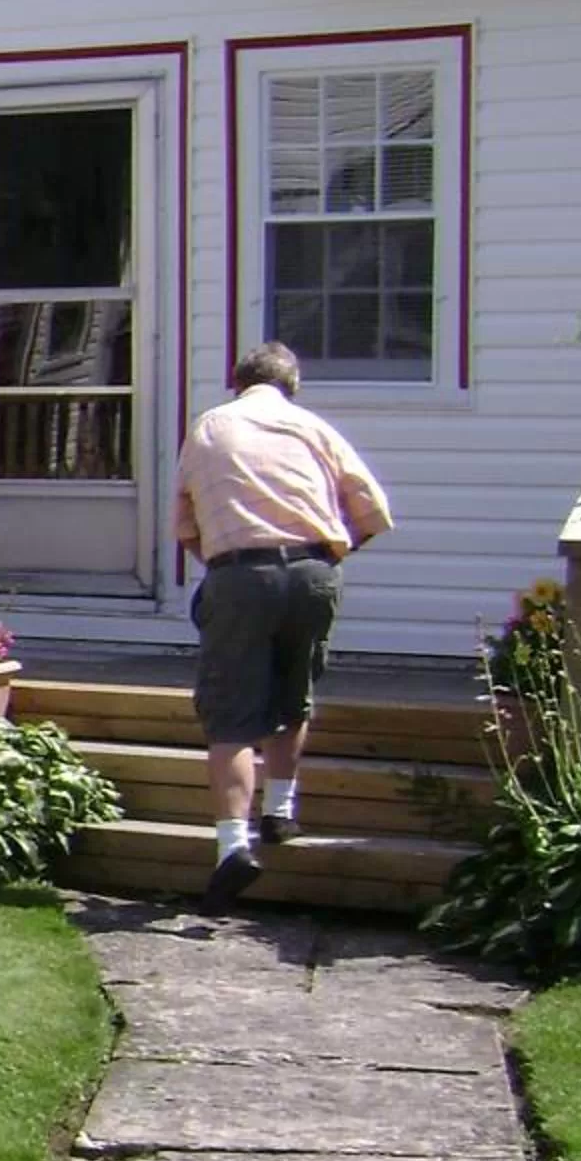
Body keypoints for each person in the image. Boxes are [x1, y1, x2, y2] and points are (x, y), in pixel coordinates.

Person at [172, 341, 393, 916]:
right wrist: (328, 558)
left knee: (230, 716)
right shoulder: (313, 428)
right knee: (294, 693)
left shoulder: (210, 428)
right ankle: (280, 810)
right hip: (315, 570)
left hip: (240, 574)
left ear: (237, 382)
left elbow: (186, 525)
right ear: (291, 386)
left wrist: (228, 570)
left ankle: (233, 848)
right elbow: (373, 513)